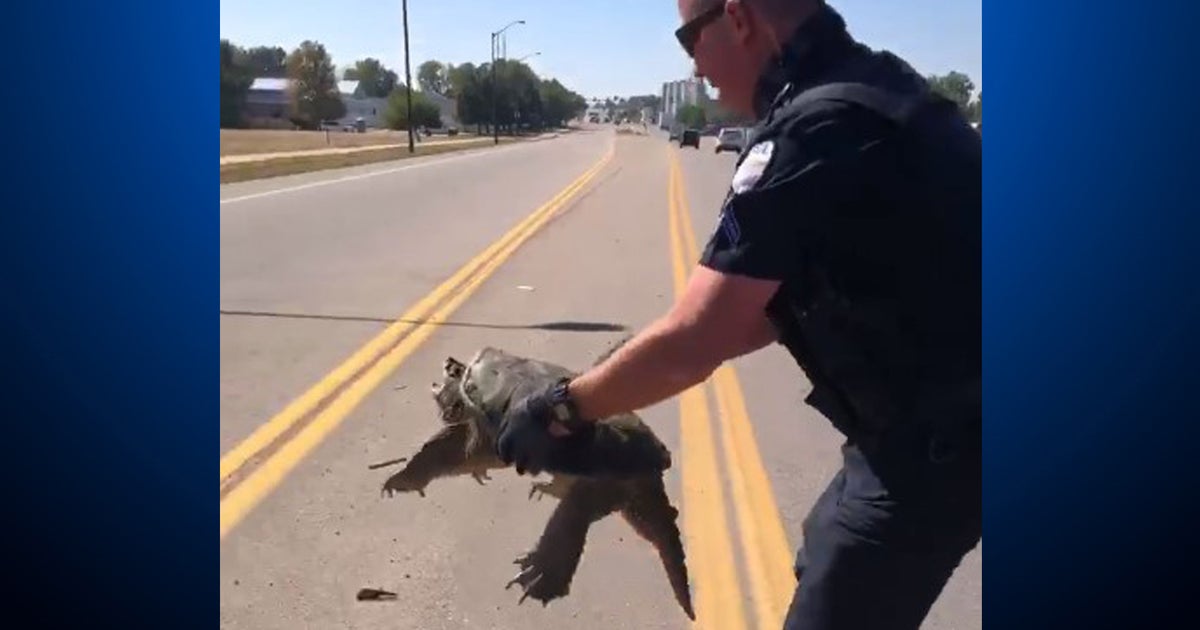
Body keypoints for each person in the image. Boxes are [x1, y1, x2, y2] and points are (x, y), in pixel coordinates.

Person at [494, 1, 981, 628]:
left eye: (688, 40)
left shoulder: (811, 134)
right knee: (826, 545)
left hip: (942, 445)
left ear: (740, 19)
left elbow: (700, 337)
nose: (695, 69)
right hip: (936, 425)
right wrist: (614, 378)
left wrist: (561, 408)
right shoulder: (882, 93)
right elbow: (763, 312)